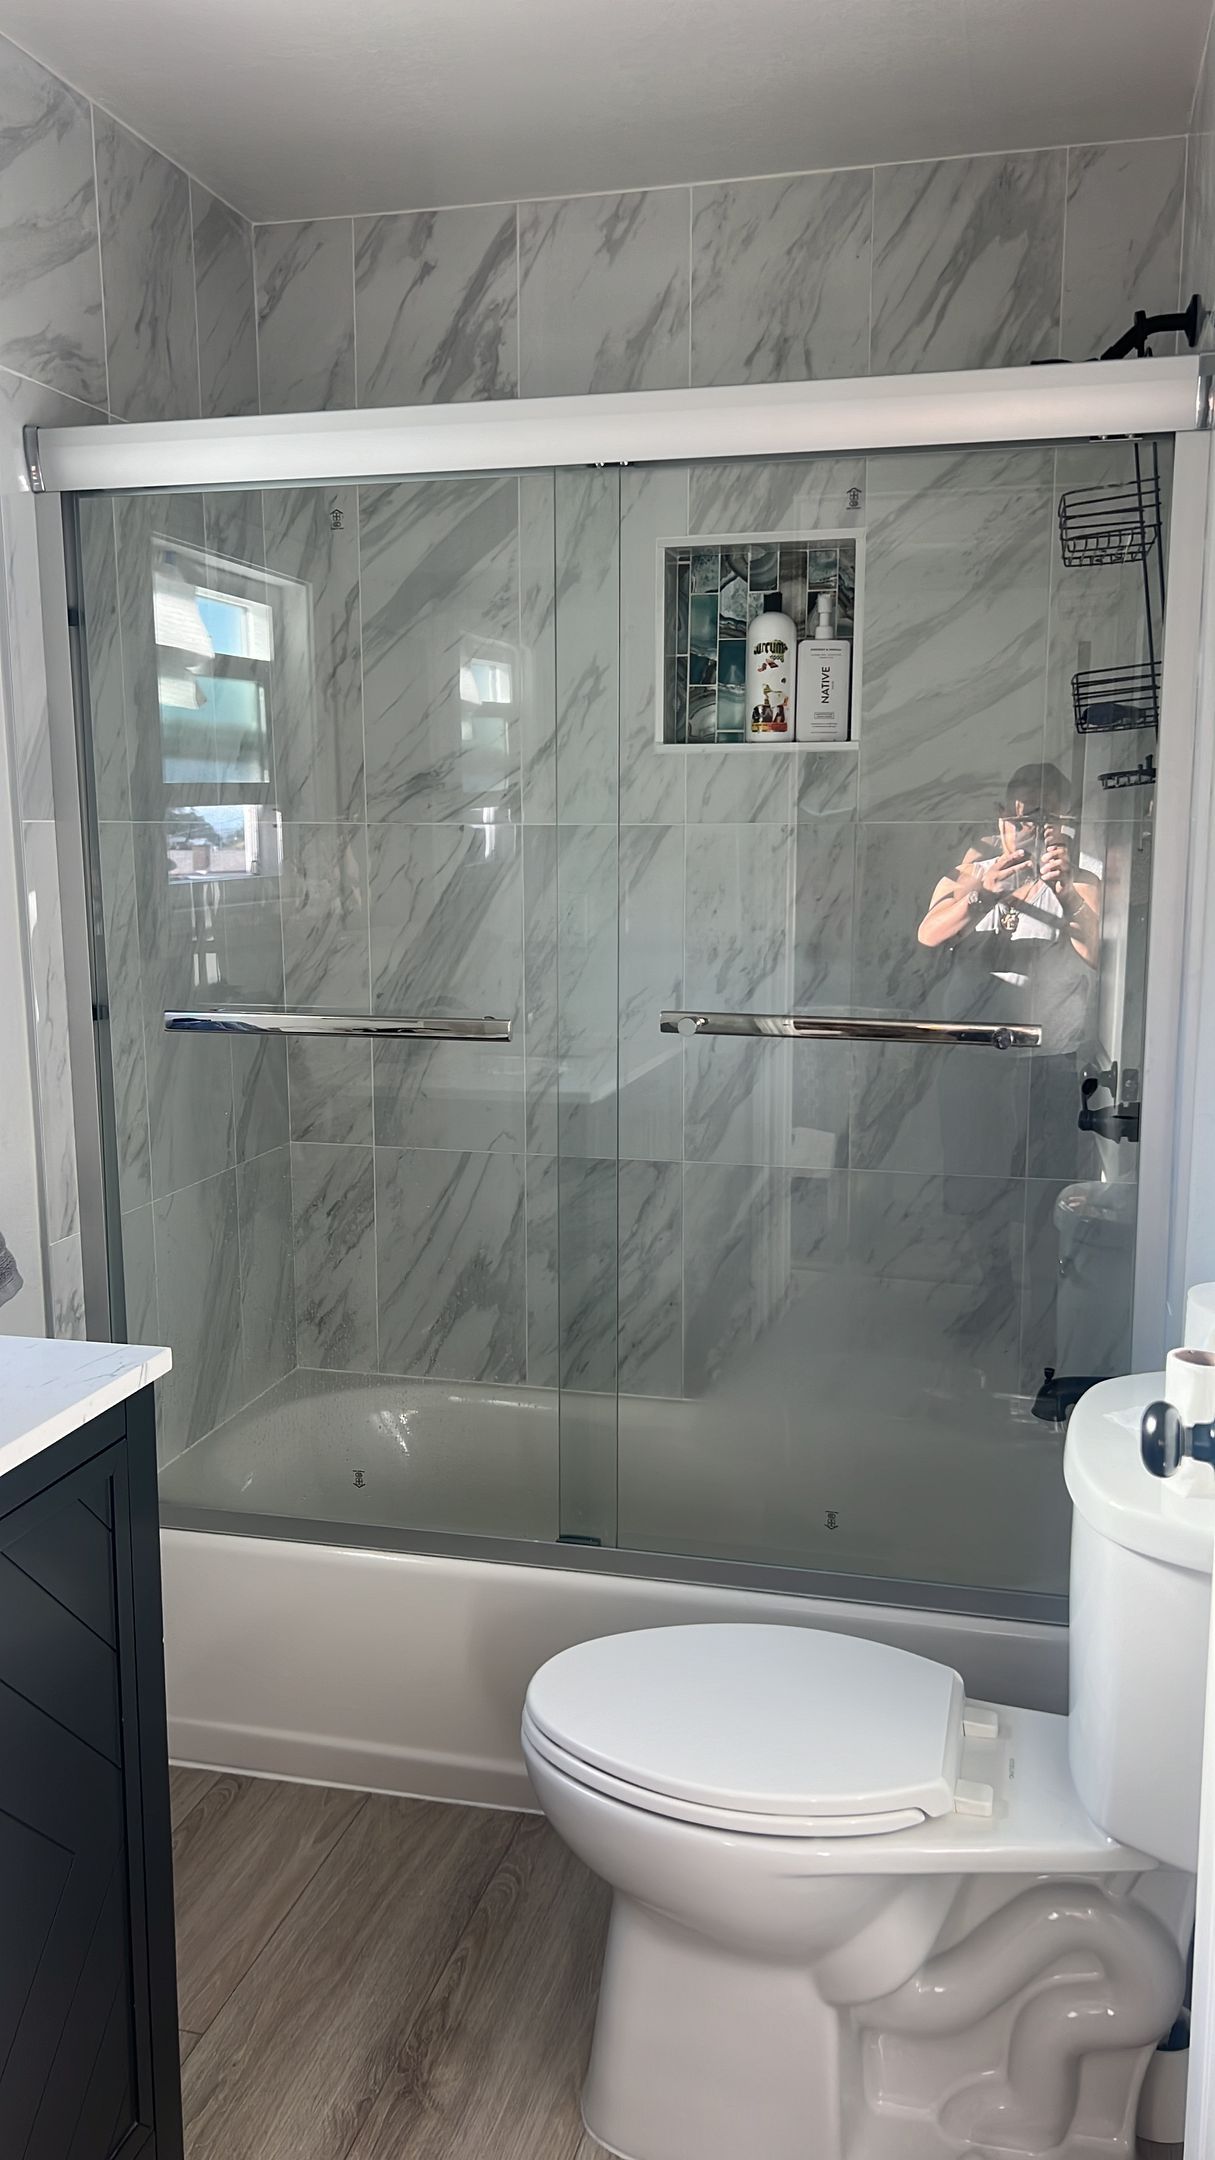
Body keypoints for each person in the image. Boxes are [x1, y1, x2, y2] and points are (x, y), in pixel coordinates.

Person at [917, 764, 1099, 1050]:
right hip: (968, 1047)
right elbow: (928, 935)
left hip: (1046, 1054)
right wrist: (983, 895)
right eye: (1022, 818)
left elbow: (1101, 957)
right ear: (1001, 816)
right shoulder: (969, 875)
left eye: (1046, 818)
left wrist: (1068, 897)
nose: (1032, 830)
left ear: (1064, 821)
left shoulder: (1081, 883)